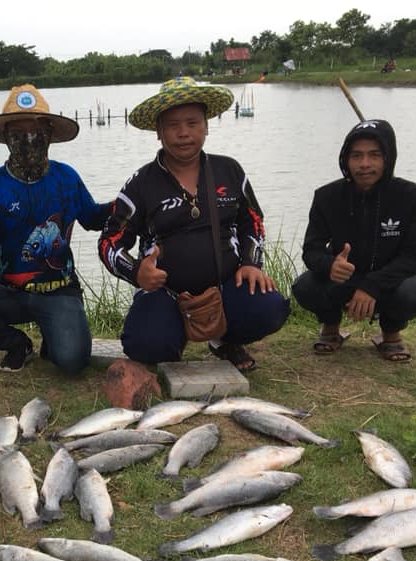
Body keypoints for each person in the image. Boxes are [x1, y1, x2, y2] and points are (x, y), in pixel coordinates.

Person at [98, 76, 290, 372]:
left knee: (271, 308)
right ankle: (172, 337)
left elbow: (253, 221)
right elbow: (109, 242)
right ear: (158, 132)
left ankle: (225, 339)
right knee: (144, 344)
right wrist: (137, 272)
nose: (183, 133)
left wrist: (252, 263)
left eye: (192, 122)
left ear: (206, 126)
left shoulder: (230, 169)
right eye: (173, 125)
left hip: (226, 285)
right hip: (165, 292)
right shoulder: (140, 183)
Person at [0, 84, 109, 373]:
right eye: (18, 134)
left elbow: (93, 218)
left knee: (73, 362)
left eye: (37, 132)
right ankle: (16, 344)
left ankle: (56, 334)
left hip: (61, 291)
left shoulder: (66, 178)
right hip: (9, 293)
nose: (29, 140)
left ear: (49, 135)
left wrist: (125, 203)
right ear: (5, 138)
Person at [291, 118, 416, 362]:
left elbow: (413, 257)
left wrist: (371, 286)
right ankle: (330, 329)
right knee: (304, 286)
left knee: (414, 292)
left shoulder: (412, 196)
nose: (364, 164)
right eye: (356, 156)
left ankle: (391, 335)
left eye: (374, 155)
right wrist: (330, 264)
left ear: (388, 158)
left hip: (389, 284)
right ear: (346, 160)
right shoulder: (326, 196)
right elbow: (311, 249)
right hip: (343, 281)